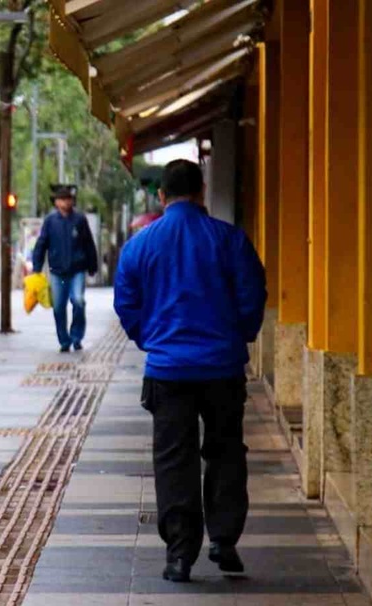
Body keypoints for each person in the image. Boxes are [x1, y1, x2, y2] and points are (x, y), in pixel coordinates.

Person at [114, 159, 267, 583]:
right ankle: (224, 538)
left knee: (173, 459)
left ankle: (180, 555)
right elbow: (253, 293)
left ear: (160, 197)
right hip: (222, 368)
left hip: (168, 372)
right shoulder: (229, 239)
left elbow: (126, 303)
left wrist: (151, 340)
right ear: (201, 191)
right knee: (226, 451)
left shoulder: (141, 246)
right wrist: (238, 337)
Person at [32, 184, 98, 352]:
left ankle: (77, 336)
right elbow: (41, 244)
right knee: (59, 306)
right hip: (57, 271)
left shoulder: (79, 220)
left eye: (68, 199)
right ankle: (64, 340)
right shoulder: (50, 221)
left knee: (78, 300)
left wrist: (92, 265)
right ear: (56, 202)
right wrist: (37, 267)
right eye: (62, 199)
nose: (65, 203)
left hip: (77, 270)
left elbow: (88, 244)